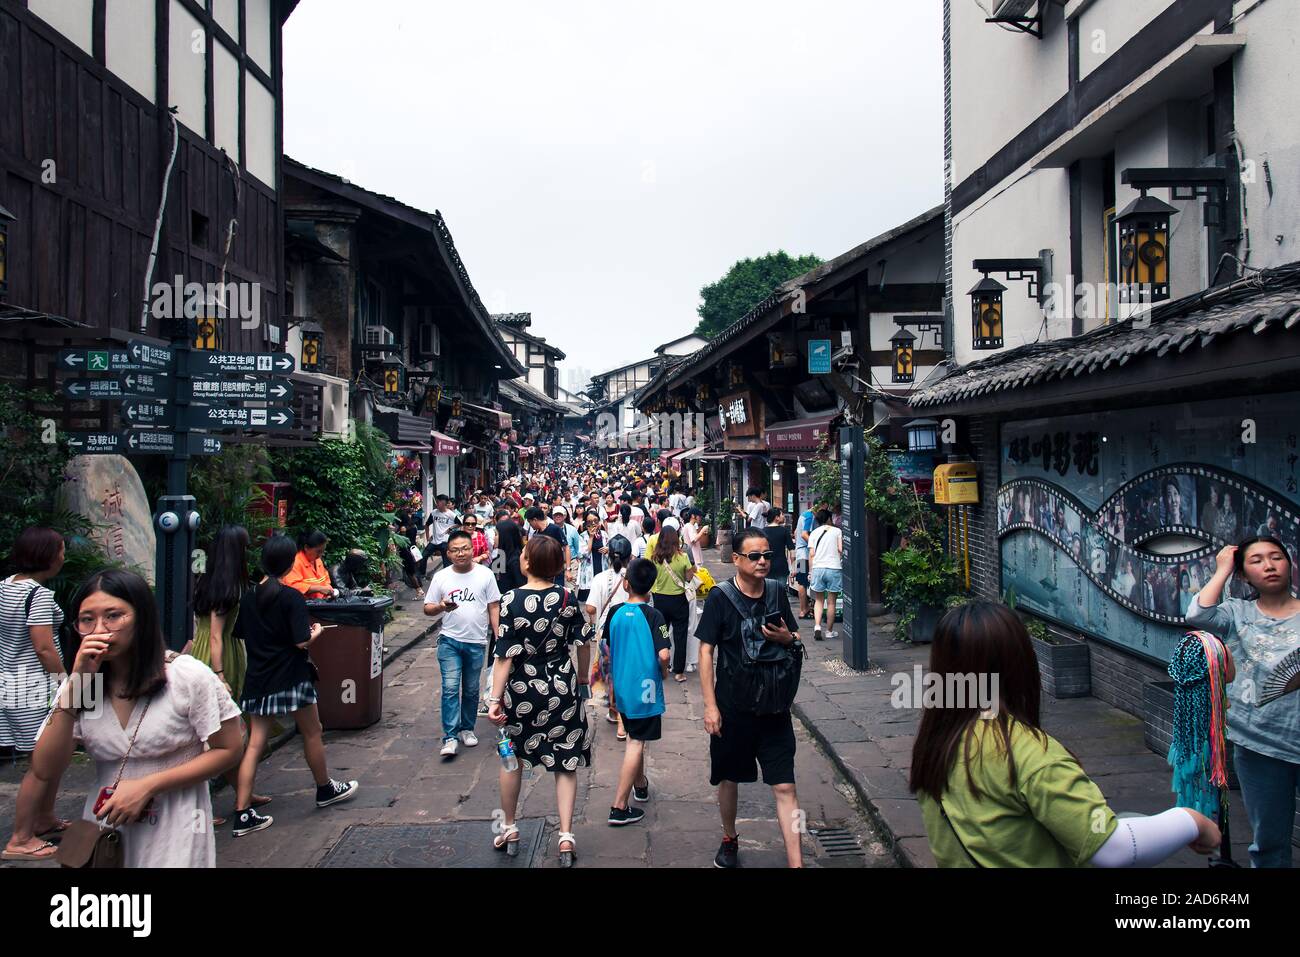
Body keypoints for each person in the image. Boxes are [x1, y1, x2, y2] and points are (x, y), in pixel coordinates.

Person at [910, 601, 1221, 867]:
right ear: (1021, 662)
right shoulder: (1025, 753)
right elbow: (1112, 849)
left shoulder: (937, 743)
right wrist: (1190, 821)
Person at [29, 570, 246, 867]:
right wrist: (75, 689)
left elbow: (229, 749)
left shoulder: (186, 676)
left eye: (114, 616)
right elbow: (44, 770)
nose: (100, 629)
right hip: (104, 828)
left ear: (141, 617)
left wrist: (148, 785)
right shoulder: (83, 686)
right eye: (87, 619)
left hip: (177, 824)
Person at [231, 534, 358, 836]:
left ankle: (242, 812)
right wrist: (315, 632)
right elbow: (300, 640)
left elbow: (242, 634)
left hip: (259, 677)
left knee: (255, 743)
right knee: (313, 732)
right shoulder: (289, 597)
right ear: (290, 563)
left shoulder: (249, 597)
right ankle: (324, 788)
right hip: (291, 675)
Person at [1185, 537, 1300, 867]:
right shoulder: (1237, 612)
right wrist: (1223, 569)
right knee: (1269, 841)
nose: (1269, 565)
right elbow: (1199, 613)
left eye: (1276, 557)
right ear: (1245, 575)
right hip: (1258, 742)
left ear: (1289, 565)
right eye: (1257, 560)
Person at [696, 528, 803, 868]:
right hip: (733, 709)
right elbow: (705, 650)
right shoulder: (720, 597)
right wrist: (711, 706)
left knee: (786, 788)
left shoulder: (776, 592)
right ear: (737, 558)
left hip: (775, 709)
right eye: (754, 556)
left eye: (767, 556)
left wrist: (789, 638)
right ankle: (729, 837)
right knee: (729, 779)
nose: (762, 562)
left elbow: (794, 636)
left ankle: (797, 862)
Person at [486, 535, 593, 866]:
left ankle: (509, 827)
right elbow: (583, 643)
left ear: (527, 563)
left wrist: (494, 699)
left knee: (511, 758)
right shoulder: (566, 598)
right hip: (562, 686)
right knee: (565, 760)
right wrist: (584, 680)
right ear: (559, 566)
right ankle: (565, 835)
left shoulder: (509, 600)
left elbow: (503, 656)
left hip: (521, 690)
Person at [189, 524, 270, 826]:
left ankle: (243, 792)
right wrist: (220, 674)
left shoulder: (206, 580)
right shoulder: (228, 588)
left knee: (221, 732)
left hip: (210, 652)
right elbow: (215, 636)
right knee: (214, 736)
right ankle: (199, 808)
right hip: (219, 657)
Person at [1, 527, 69, 862]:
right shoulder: (39, 596)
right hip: (36, 686)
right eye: (60, 549)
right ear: (47, 555)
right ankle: (20, 839)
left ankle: (44, 818)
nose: (63, 555)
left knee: (49, 757)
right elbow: (43, 646)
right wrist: (66, 682)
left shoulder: (5, 586)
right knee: (41, 764)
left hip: (11, 683)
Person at [604, 558, 671, 826]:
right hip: (645, 689)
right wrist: (663, 671)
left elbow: (607, 646)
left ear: (626, 583)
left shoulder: (615, 612)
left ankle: (640, 784)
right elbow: (664, 654)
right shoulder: (654, 616)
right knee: (636, 742)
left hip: (621, 686)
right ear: (652, 586)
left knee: (634, 734)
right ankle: (619, 806)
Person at [424, 529, 501, 758]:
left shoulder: (485, 574)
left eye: (465, 548)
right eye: (455, 550)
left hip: (476, 641)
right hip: (449, 640)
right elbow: (427, 608)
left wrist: (498, 636)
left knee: (470, 689)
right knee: (449, 688)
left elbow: (493, 606)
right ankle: (449, 736)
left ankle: (467, 728)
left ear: (473, 549)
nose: (461, 553)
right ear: (448, 553)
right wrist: (441, 607)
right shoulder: (441, 577)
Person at [586, 534, 632, 735]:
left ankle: (619, 716)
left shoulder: (599, 579)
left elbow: (589, 608)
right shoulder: (632, 577)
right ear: (629, 557)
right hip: (630, 630)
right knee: (625, 672)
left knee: (611, 673)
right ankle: (618, 713)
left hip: (606, 631)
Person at [649, 526, 696, 683]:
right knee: (680, 635)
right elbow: (689, 577)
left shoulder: (655, 558)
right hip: (678, 600)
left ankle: (662, 665)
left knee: (661, 633)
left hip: (660, 600)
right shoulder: (682, 557)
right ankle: (679, 672)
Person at [807, 509, 843, 641]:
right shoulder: (837, 531)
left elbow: (811, 554)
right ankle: (829, 631)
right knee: (832, 602)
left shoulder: (814, 533)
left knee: (819, 600)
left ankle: (817, 626)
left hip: (818, 568)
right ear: (829, 519)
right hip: (833, 567)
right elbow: (840, 549)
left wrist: (811, 571)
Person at [282, 530, 337, 598]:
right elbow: (292, 585)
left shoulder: (317, 560)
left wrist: (328, 590)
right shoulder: (295, 562)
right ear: (306, 548)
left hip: (321, 603)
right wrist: (318, 589)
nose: (320, 555)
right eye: (318, 551)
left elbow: (325, 578)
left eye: (322, 551)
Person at [794, 500, 825, 620]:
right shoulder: (809, 517)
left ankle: (804, 609)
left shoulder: (804, 514)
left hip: (800, 554)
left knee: (801, 581)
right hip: (805, 554)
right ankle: (804, 609)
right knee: (803, 581)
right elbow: (803, 534)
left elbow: (797, 532)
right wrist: (816, 546)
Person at [525, 506, 571, 586]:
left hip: (556, 572)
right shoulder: (536, 534)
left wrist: (568, 569)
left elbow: (566, 548)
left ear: (535, 520)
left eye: (530, 522)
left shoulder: (555, 529)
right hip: (542, 574)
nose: (530, 525)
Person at [576, 510, 606, 603]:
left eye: (595, 521)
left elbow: (610, 549)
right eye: (589, 522)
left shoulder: (604, 535)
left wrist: (608, 549)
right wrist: (591, 537)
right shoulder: (582, 536)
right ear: (585, 523)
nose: (593, 524)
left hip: (602, 567)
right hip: (588, 570)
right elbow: (583, 554)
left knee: (602, 597)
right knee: (590, 600)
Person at [423, 495, 459, 574]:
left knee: (446, 561)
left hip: (444, 541)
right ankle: (421, 574)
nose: (436, 504)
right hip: (434, 541)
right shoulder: (434, 513)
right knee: (424, 555)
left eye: (438, 502)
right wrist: (427, 537)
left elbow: (460, 523)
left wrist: (451, 528)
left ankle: (448, 576)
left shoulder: (451, 514)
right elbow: (426, 525)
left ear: (443, 503)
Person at [763, 508, 795, 594]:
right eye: (782, 515)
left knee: (768, 593)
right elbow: (792, 550)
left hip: (766, 566)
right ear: (777, 517)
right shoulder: (784, 531)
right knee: (780, 594)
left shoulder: (763, 532)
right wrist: (793, 567)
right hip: (781, 566)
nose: (783, 516)